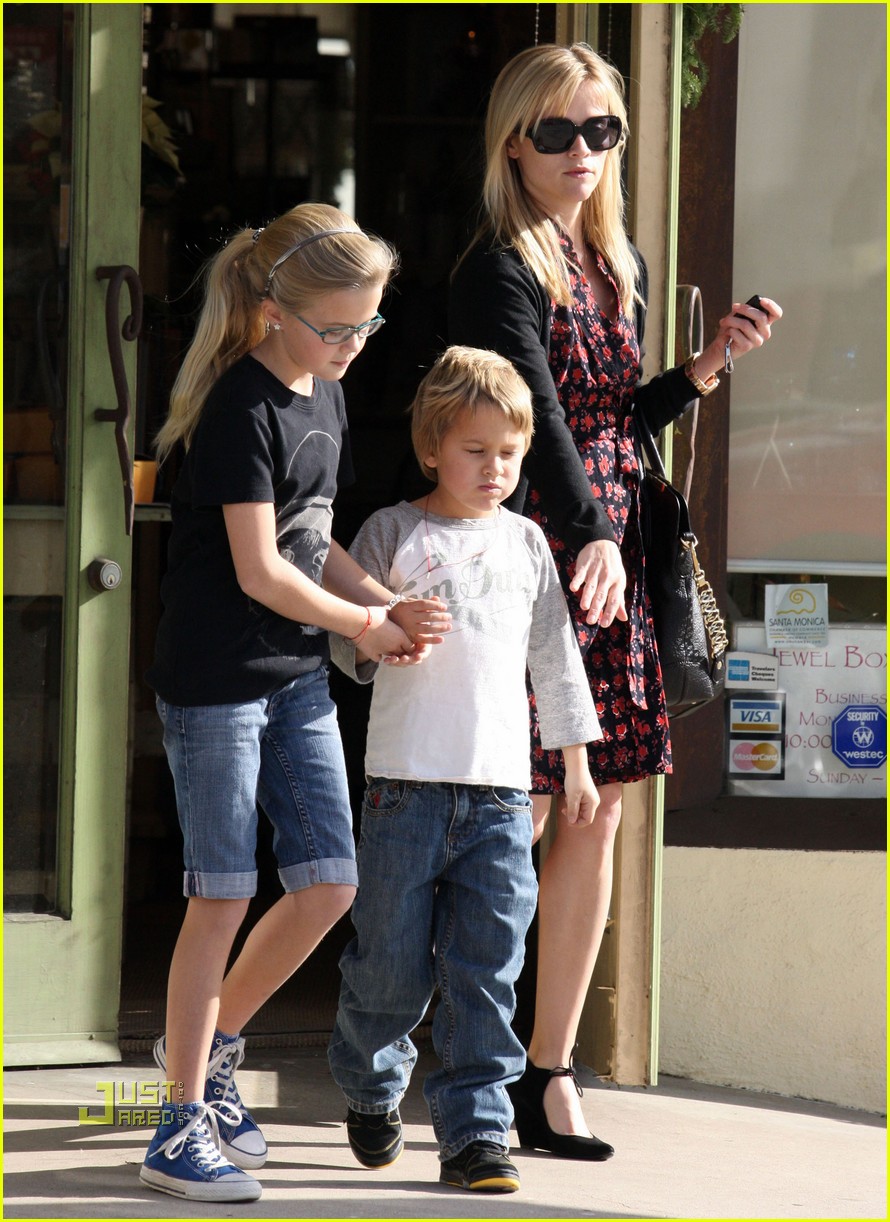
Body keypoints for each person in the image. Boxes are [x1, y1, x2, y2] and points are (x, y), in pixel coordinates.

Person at [448, 42, 782, 1160]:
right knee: (520, 815)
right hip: (535, 557)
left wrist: (699, 369)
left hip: (608, 556)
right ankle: (475, 1071)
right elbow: (534, 419)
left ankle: (548, 1071)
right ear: (513, 144)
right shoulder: (500, 268)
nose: (582, 150)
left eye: (602, 130)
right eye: (557, 131)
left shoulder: (613, 258)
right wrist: (589, 531)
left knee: (600, 810)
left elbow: (606, 418)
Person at [140, 202, 450, 1203]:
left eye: (369, 325)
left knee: (328, 883)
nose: (354, 345)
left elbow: (312, 541)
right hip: (218, 685)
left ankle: (210, 1048)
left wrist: (382, 601)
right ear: (274, 310)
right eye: (336, 327)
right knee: (222, 894)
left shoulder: (326, 391)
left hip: (294, 679)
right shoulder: (239, 406)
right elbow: (260, 569)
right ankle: (177, 1124)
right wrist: (363, 626)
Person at [326, 346, 602, 1194]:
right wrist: (383, 633)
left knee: (488, 971)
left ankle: (478, 1134)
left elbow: (555, 657)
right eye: (476, 450)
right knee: (389, 966)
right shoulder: (390, 532)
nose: (496, 469)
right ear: (431, 448)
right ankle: (372, 1085)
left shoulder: (526, 542)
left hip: (502, 799)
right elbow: (346, 646)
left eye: (510, 453)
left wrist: (576, 763)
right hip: (403, 790)